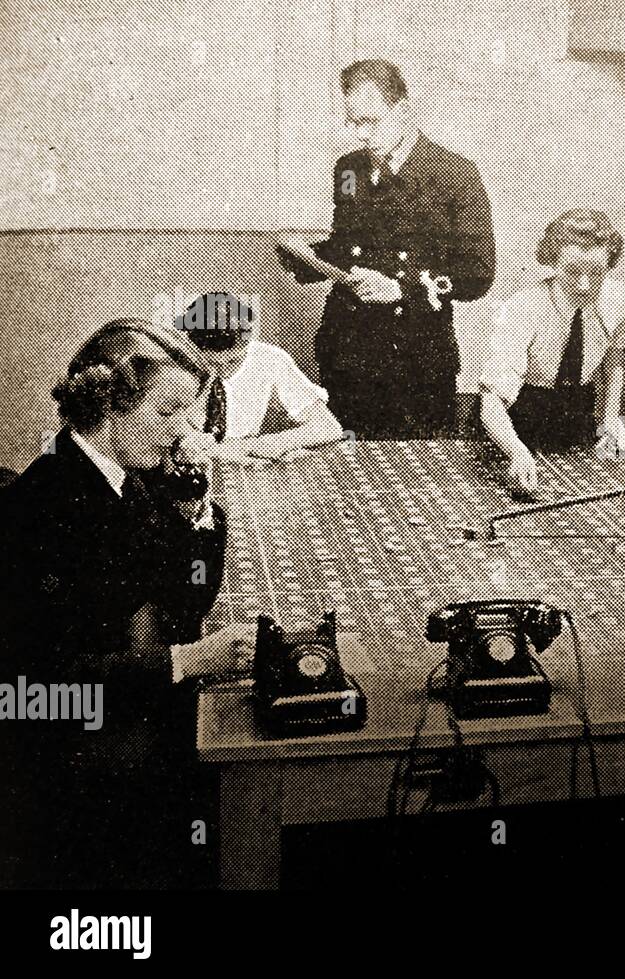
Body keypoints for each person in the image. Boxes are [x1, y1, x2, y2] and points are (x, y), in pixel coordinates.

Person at [0, 319, 255, 887]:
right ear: (108, 409)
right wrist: (187, 663)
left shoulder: (124, 478)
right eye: (168, 414)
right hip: (75, 753)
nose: (187, 430)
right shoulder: (43, 508)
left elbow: (183, 603)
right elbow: (36, 688)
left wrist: (197, 509)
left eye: (191, 412)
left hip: (130, 704)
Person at [277, 59, 495, 438]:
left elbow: (477, 272)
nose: (359, 133)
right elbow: (347, 244)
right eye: (352, 121)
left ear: (404, 111)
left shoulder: (457, 174)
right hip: (347, 350)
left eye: (370, 122)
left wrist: (402, 289)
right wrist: (304, 256)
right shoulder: (348, 170)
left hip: (415, 360)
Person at [479, 209, 625, 497]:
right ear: (553, 262)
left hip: (577, 419)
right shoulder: (525, 306)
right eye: (572, 271)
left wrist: (610, 416)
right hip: (519, 421)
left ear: (609, 264)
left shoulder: (619, 299)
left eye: (597, 273)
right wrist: (516, 451)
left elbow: (614, 357)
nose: (585, 285)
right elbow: (491, 402)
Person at [176, 292, 344, 462]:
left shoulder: (269, 359)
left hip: (242, 465)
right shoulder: (173, 365)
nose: (224, 372)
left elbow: (328, 426)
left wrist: (270, 444)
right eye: (213, 363)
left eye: (234, 361)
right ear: (191, 346)